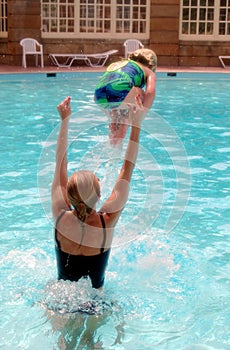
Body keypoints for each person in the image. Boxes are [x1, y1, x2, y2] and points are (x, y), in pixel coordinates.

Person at [52, 94, 145, 289]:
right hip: (97, 303)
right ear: (99, 195)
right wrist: (136, 124)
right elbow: (127, 168)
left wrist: (65, 120)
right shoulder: (107, 221)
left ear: (68, 195)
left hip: (61, 299)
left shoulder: (60, 216)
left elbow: (60, 162)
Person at [94, 48, 157, 144]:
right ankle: (124, 121)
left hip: (98, 96)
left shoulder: (123, 64)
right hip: (120, 91)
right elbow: (150, 92)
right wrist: (141, 115)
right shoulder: (148, 71)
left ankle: (114, 137)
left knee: (117, 114)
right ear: (151, 65)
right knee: (140, 96)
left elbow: (110, 81)